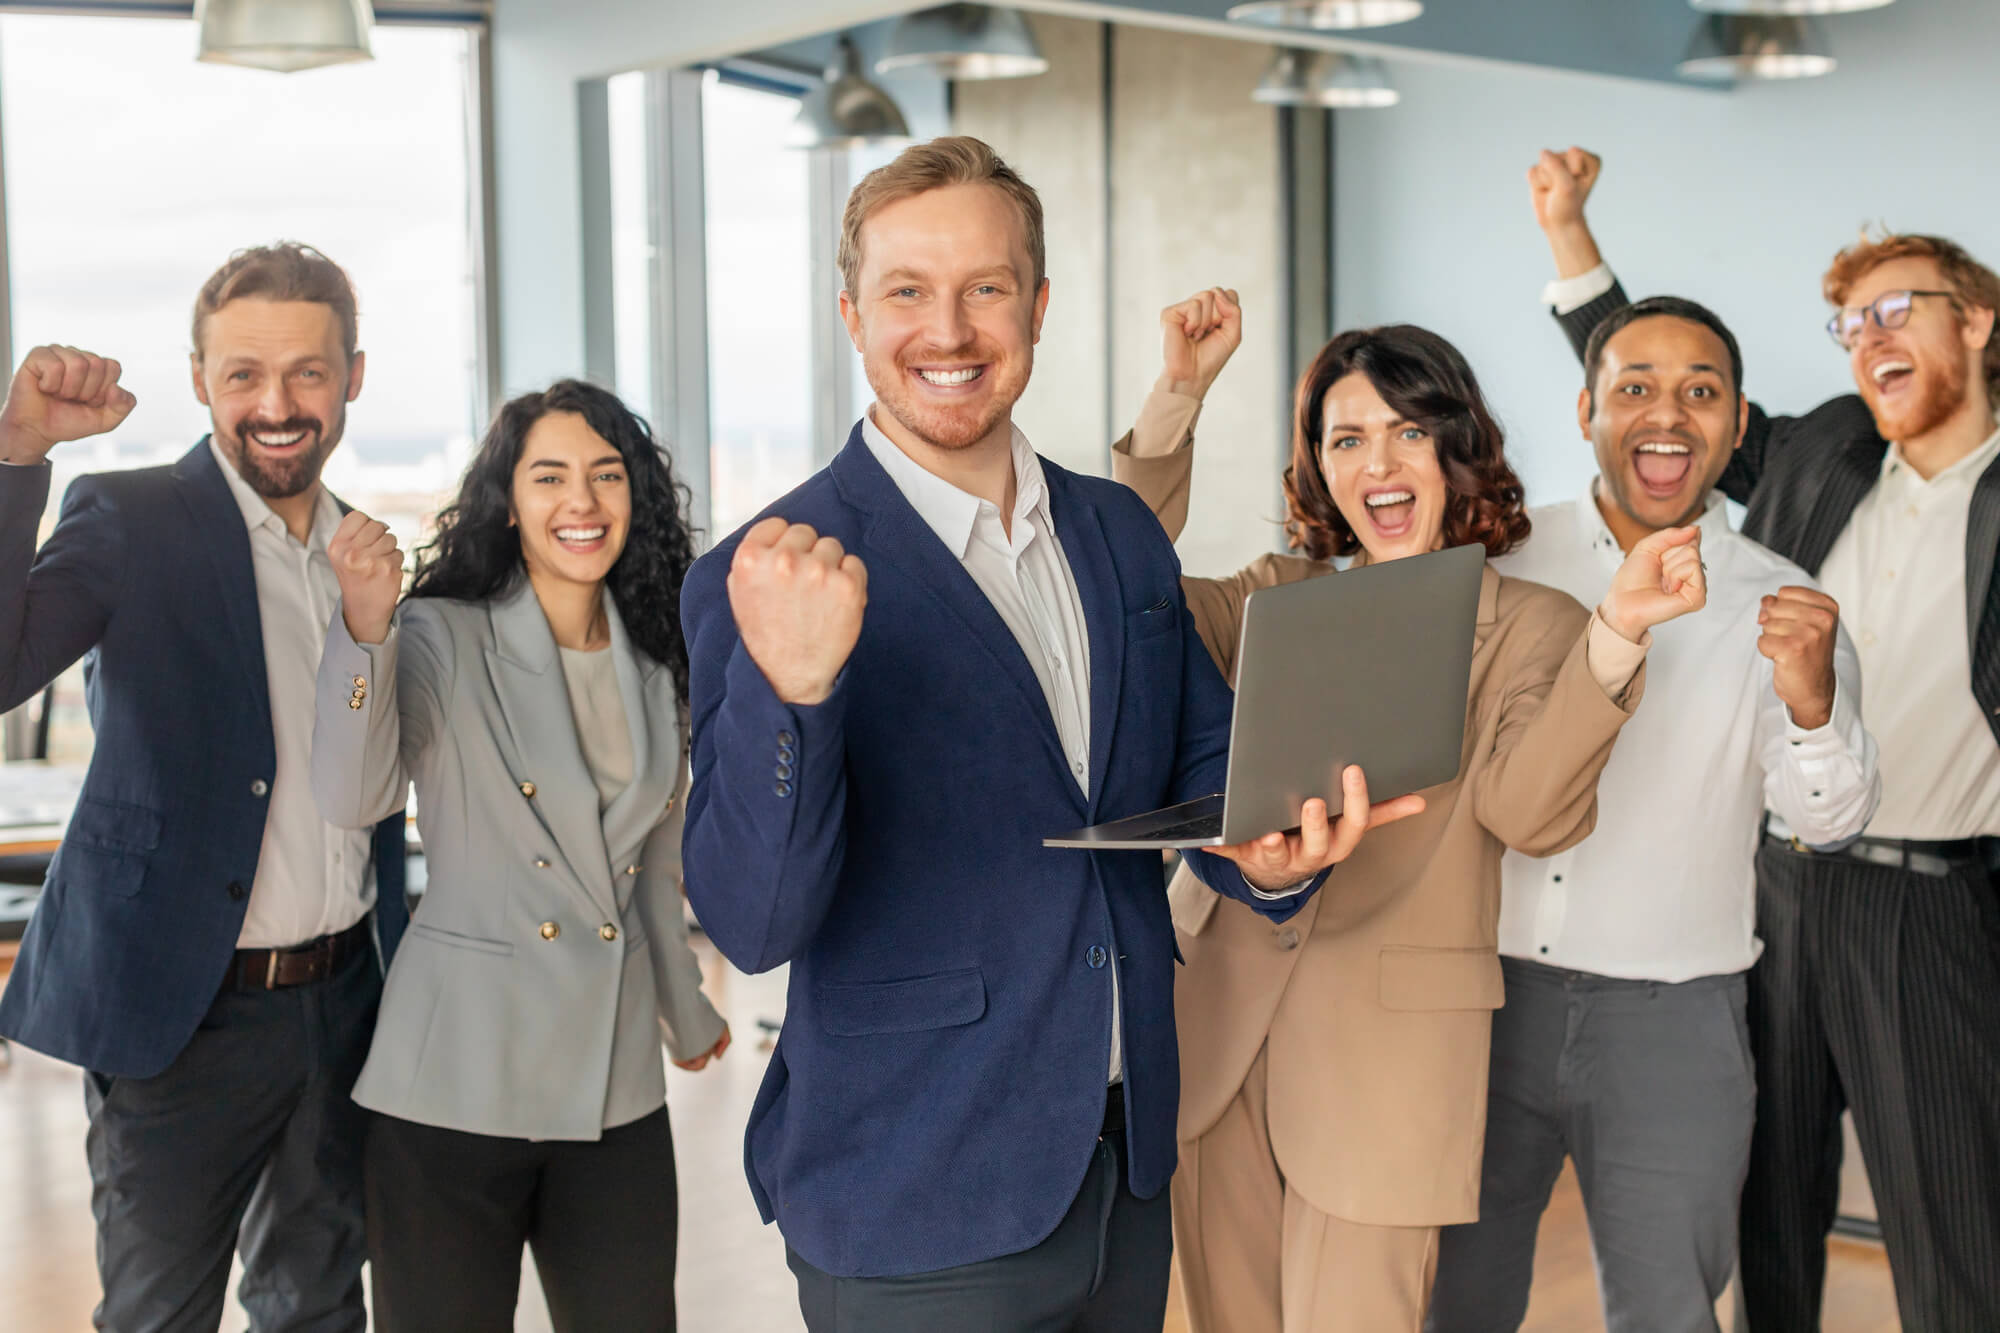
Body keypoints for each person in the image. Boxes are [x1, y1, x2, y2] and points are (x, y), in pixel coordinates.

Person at [679, 135, 1423, 1333]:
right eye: (906, 291)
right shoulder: (762, 572)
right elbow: (752, 924)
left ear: (1036, 303)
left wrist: (1268, 853)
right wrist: (795, 694)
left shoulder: (1119, 532)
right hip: (910, 1179)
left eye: (984, 287)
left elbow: (1195, 761)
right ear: (850, 315)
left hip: (1121, 1159)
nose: (950, 329)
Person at [1113, 294, 1707, 1331]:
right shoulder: (1268, 596)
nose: (1377, 462)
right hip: (1215, 1034)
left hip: (1384, 1066)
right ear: (1321, 470)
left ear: (1455, 454)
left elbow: (1530, 813)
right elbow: (1125, 585)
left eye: (1408, 432)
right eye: (1346, 438)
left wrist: (1616, 634)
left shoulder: (1533, 625)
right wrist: (1179, 396)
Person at [1529, 145, 2000, 1332]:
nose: (1864, 335)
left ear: (1980, 321)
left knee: (1949, 1221)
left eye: (1895, 310)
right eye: (1846, 321)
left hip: (1932, 903)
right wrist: (1568, 236)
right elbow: (1650, 391)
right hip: (1776, 890)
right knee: (1763, 1217)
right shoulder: (1824, 453)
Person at [1414, 252, 1883, 1326]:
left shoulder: (1786, 596)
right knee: (1456, 1302)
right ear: (1584, 409)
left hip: (1674, 1020)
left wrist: (1812, 704)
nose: (1665, 414)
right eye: (1633, 386)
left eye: (1698, 390)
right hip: (1475, 996)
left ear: (1734, 422)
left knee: (1667, 1309)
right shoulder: (1496, 558)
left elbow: (1827, 819)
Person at [0, 244, 408, 1332]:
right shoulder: (128, 518)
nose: (275, 404)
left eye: (307, 373)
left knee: (319, 1306)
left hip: (340, 1004)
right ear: (199, 380)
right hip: (178, 1014)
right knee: (156, 1316)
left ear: (352, 376)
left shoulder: (365, 557)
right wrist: (19, 451)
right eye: (242, 375)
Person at [309, 379, 729, 1332]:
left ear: (637, 499)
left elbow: (652, 874)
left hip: (614, 1085)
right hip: (452, 1081)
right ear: (509, 499)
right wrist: (364, 627)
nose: (581, 503)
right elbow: (352, 796)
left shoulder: (662, 663)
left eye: (606, 476)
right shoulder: (440, 633)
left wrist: (686, 1008)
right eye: (550, 477)